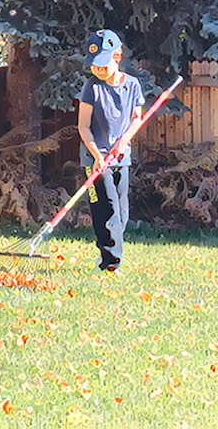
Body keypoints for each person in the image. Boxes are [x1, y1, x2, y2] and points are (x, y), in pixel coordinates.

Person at [78, 29, 145, 272]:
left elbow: (137, 118)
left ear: (117, 57)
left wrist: (124, 141)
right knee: (105, 208)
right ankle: (110, 263)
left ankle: (108, 251)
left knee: (121, 213)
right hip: (94, 158)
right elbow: (83, 127)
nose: (97, 70)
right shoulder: (91, 87)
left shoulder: (132, 86)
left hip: (121, 157)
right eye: (94, 65)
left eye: (102, 65)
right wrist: (97, 155)